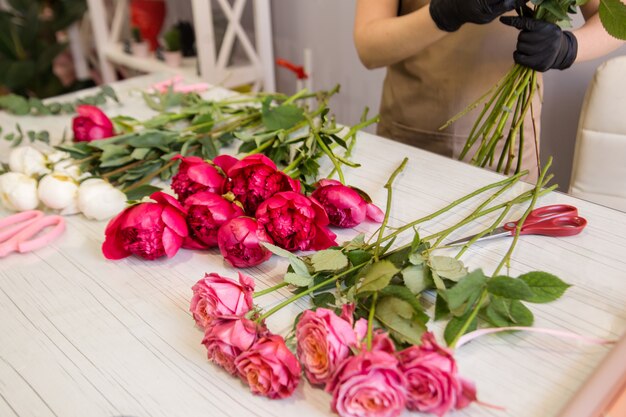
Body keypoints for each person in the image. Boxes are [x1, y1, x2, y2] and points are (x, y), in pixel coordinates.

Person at [354, 0, 624, 180]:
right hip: (408, 141)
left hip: (510, 149)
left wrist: (568, 47)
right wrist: (443, 13)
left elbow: (618, 19)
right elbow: (369, 48)